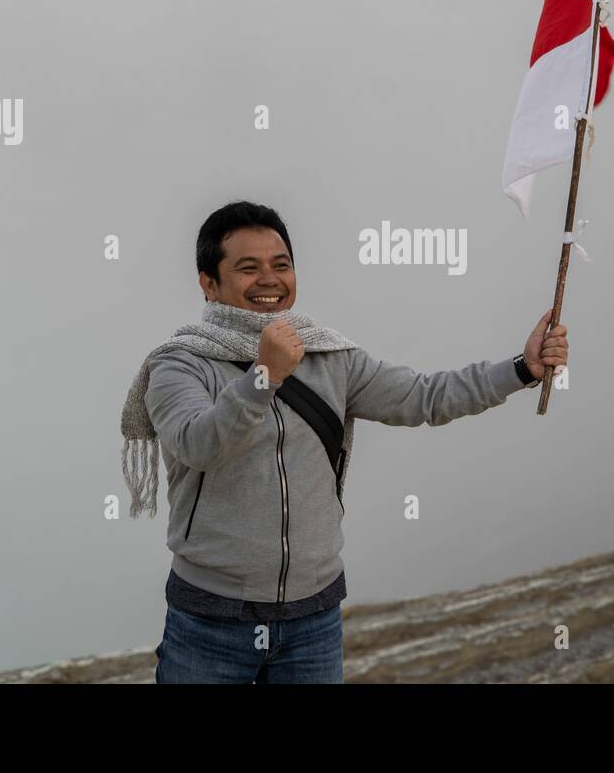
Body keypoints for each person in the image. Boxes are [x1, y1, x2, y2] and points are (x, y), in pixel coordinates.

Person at [127, 200, 569, 683]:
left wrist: (522, 369)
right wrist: (263, 376)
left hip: (312, 620)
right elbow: (198, 444)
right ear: (208, 282)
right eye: (247, 268)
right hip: (209, 620)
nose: (270, 280)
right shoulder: (178, 365)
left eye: (281, 265)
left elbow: (425, 397)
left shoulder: (330, 356)